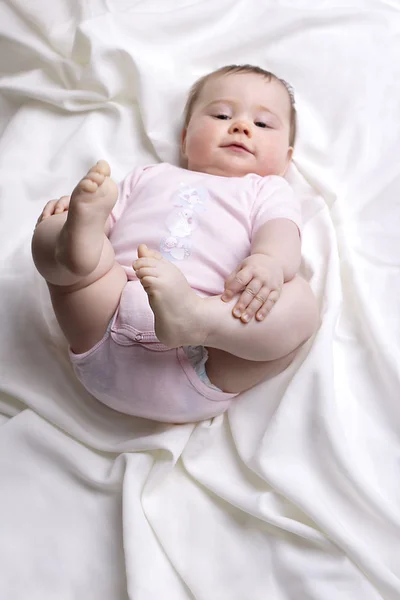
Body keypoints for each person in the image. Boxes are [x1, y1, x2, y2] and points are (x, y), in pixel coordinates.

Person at [32, 64, 319, 423]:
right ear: (185, 138)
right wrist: (84, 221)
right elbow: (110, 222)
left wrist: (270, 261)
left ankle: (198, 319)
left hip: (210, 349)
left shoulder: (266, 189)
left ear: (286, 160)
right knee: (62, 239)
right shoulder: (149, 176)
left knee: (301, 302)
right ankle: (71, 247)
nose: (241, 127)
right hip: (108, 312)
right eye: (221, 114)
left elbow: (281, 231)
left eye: (262, 124)